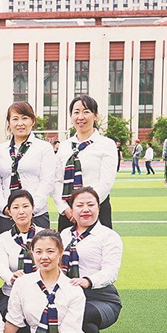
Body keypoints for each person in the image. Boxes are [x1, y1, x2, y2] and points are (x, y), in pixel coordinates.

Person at [0, 229, 151, 333]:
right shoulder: (22, 284)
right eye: (39, 252)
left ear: (60, 252)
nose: (44, 257)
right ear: (32, 254)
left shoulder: (73, 289)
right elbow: (13, 322)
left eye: (50, 251)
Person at [59, 187, 123, 333]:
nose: (85, 209)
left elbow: (111, 272)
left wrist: (87, 281)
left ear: (98, 208)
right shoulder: (65, 234)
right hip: (69, 294)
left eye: (90, 204)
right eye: (80, 205)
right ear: (72, 210)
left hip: (101, 298)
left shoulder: (109, 236)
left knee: (77, 314)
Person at [53, 95, 117, 231]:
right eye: (76, 112)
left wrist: (84, 207)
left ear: (96, 115)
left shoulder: (106, 144)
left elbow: (106, 182)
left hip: (96, 210)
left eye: (86, 112)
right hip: (68, 213)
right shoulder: (64, 146)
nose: (80, 117)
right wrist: (65, 209)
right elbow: (57, 181)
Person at [0, 101, 55, 233]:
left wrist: (31, 209)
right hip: (7, 216)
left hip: (36, 215)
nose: (20, 123)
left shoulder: (44, 148)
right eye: (15, 119)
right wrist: (4, 207)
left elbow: (47, 181)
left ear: (32, 121)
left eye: (25, 118)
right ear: (9, 123)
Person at [0, 189, 39, 333]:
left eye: (25, 206)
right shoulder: (3, 238)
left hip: (39, 292)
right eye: (16, 207)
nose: (21, 211)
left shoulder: (44, 235)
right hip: (10, 292)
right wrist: (11, 277)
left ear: (33, 208)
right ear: (9, 211)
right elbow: (1, 266)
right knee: (6, 314)